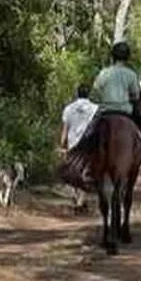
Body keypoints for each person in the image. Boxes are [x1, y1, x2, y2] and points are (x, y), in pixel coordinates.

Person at [59, 82, 98, 210]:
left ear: (77, 93)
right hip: (88, 145)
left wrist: (62, 145)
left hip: (73, 144)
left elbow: (65, 129)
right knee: (86, 173)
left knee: (73, 172)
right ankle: (81, 200)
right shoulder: (96, 108)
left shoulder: (69, 109)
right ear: (89, 94)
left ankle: (79, 198)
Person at [92, 39, 141, 127]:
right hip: (125, 113)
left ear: (113, 56)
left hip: (105, 112)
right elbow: (136, 96)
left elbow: (95, 92)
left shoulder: (104, 73)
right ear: (127, 57)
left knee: (89, 134)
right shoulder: (131, 74)